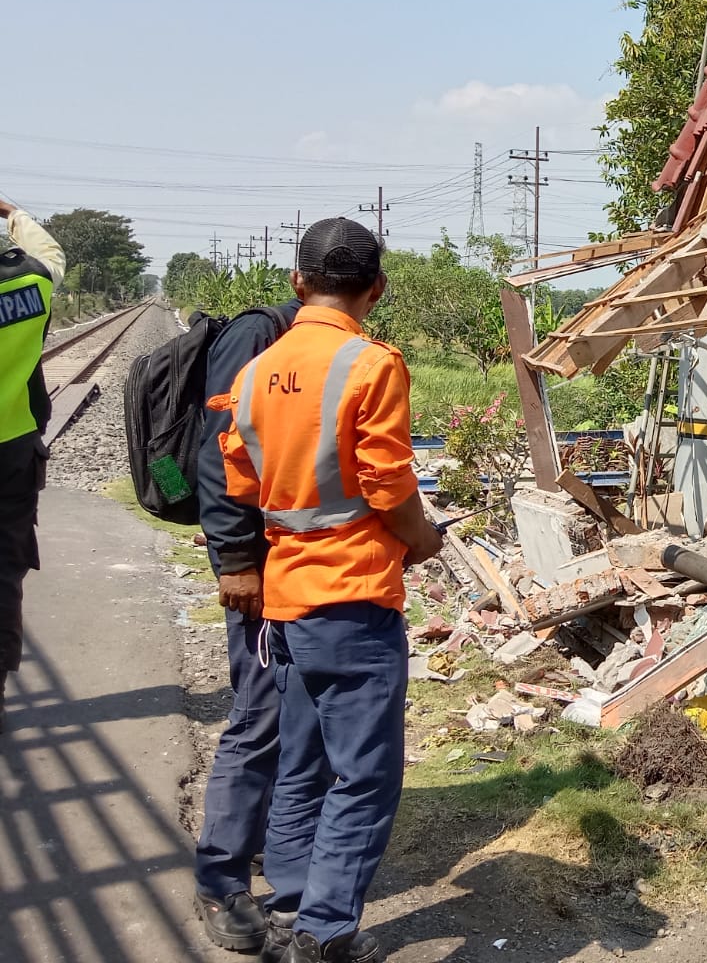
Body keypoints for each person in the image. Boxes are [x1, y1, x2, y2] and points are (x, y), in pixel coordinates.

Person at [214, 217, 441, 963]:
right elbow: (387, 486)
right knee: (365, 775)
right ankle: (325, 932)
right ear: (376, 288)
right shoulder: (370, 365)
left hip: (288, 602)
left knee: (304, 762)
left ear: (297, 283)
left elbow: (243, 483)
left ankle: (286, 905)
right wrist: (424, 538)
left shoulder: (253, 376)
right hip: (355, 598)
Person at [192, 294, 301, 952]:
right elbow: (218, 457)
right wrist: (236, 561)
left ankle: (263, 845)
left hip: (290, 565)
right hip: (254, 566)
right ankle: (219, 878)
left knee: (291, 712)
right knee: (260, 713)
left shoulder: (300, 343)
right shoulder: (257, 336)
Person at [0, 197, 65, 734]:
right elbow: (50, 253)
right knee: (3, 573)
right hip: (12, 450)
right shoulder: (31, 281)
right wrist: (13, 211)